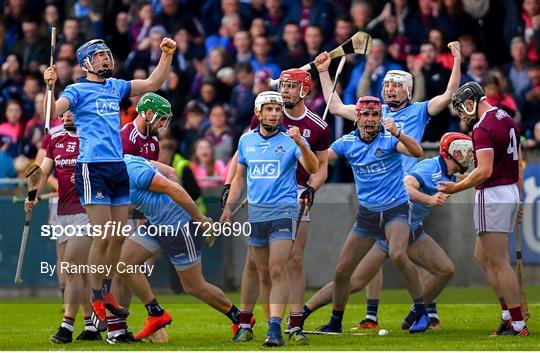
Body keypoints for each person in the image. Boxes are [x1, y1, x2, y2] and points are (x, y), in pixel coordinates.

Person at [314, 40, 462, 329]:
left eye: (396, 84)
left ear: (408, 90)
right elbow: (333, 105)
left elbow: (449, 94)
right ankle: (392, 314)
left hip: (407, 192)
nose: (390, 89)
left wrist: (456, 58)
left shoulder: (419, 111)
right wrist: (323, 71)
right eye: (388, 84)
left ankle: (421, 312)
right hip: (378, 192)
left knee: (406, 254)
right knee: (395, 253)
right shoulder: (372, 112)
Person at [42, 36, 177, 336]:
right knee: (103, 234)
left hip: (117, 167)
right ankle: (97, 295)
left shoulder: (116, 86)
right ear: (86, 62)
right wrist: (49, 86)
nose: (106, 59)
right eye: (99, 55)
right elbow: (51, 113)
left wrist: (166, 55)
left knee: (116, 237)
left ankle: (103, 291)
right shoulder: (76, 90)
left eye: (107, 54)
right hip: (92, 167)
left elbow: (153, 83)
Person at [302, 132, 473, 330]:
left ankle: (415, 315)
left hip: (412, 228)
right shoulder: (429, 167)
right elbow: (407, 186)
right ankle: (305, 311)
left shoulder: (448, 172)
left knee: (445, 269)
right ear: (452, 153)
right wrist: (429, 199)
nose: (469, 156)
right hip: (390, 227)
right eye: (466, 152)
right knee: (355, 281)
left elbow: (468, 178)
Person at [222, 69, 330, 343]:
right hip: (256, 211)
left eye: (276, 109)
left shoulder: (298, 136)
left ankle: (279, 327)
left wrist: (301, 145)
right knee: (259, 270)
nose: (274, 113)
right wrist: (228, 204)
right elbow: (240, 176)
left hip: (287, 207)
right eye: (269, 109)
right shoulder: (247, 140)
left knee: (280, 267)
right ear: (259, 113)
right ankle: (247, 324)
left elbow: (316, 167)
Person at [310, 96, 427, 334]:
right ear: (357, 118)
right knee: (342, 270)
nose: (370, 120)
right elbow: (319, 160)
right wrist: (304, 146)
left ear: (380, 118)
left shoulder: (388, 139)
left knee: (398, 254)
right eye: (365, 115)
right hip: (368, 215)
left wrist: (399, 134)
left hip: (396, 208)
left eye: (375, 115)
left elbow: (417, 152)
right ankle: (335, 323)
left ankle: (421, 312)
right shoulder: (347, 142)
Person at [117, 154, 244, 340]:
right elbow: (170, 172)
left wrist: (199, 219)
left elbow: (174, 188)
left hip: (179, 226)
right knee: (124, 264)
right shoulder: (119, 165)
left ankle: (240, 318)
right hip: (156, 225)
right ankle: (156, 314)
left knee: (194, 286)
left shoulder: (133, 170)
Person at [438, 82, 528, 336]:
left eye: (462, 109)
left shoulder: (483, 127)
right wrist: (518, 197)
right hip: (508, 190)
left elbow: (484, 171)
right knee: (482, 256)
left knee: (499, 261)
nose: (463, 115)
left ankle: (517, 323)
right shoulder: (506, 118)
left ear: (470, 102)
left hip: (493, 193)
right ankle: (508, 314)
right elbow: (518, 160)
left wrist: (456, 188)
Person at [25, 111, 100, 344]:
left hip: (88, 210)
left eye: (72, 113)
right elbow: (42, 171)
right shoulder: (54, 137)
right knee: (81, 273)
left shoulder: (93, 137)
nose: (67, 117)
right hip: (64, 214)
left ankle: (66, 326)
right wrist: (32, 196)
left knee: (70, 266)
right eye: (65, 114)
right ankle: (91, 326)